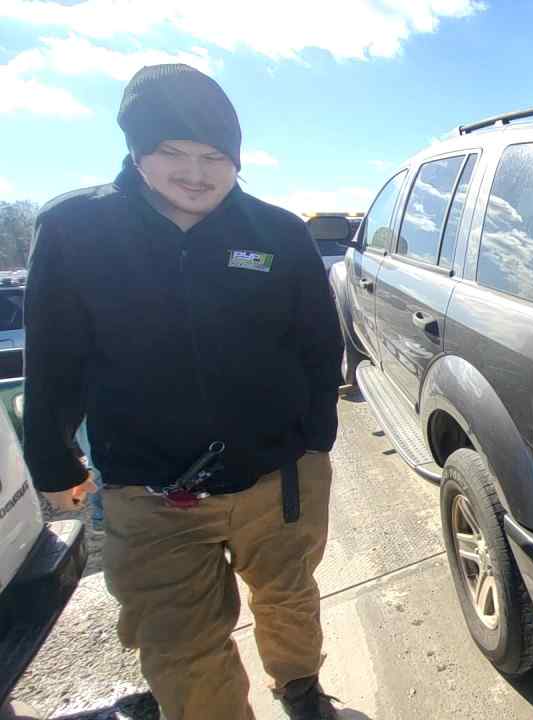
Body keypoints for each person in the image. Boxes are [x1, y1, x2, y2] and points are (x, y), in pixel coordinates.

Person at [23, 64, 344, 720]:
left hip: (278, 479)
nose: (196, 173)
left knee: (289, 596)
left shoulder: (276, 233)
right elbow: (53, 357)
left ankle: (300, 687)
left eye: (214, 157)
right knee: (182, 647)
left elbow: (318, 344)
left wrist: (316, 441)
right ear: (137, 151)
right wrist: (53, 460)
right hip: (149, 492)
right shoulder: (75, 230)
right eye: (173, 152)